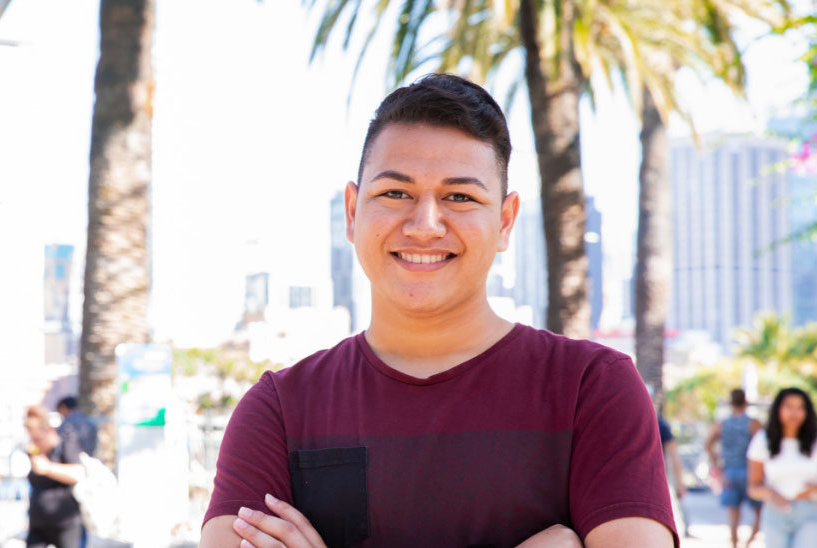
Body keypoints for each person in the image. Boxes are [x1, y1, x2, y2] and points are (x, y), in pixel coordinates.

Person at [198, 73, 676, 548]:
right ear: (351, 211)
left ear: (505, 221)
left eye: (460, 197)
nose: (425, 225)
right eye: (396, 193)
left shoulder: (591, 389)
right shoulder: (279, 412)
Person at [747, 387, 817, 548]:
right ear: (778, 409)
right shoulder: (762, 440)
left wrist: (814, 489)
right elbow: (753, 487)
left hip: (812, 512)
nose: (794, 413)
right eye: (789, 407)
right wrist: (772, 494)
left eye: (800, 408)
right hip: (775, 512)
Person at [704, 389, 763, 548]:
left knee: (733, 518)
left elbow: (707, 445)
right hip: (750, 473)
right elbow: (766, 447)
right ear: (746, 402)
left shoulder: (722, 424)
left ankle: (736, 546)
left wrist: (719, 468)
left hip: (729, 472)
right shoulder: (753, 423)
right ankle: (748, 544)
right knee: (759, 514)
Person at [24, 406, 84, 548]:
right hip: (38, 523)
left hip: (64, 521)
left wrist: (48, 468)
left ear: (48, 432)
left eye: (38, 439)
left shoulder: (65, 446)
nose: (35, 443)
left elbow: (77, 473)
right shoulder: (35, 452)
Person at [659, 416, 689, 538]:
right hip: (660, 476)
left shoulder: (660, 425)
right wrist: (680, 483)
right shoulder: (660, 424)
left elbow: (674, 456)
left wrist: (679, 483)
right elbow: (674, 456)